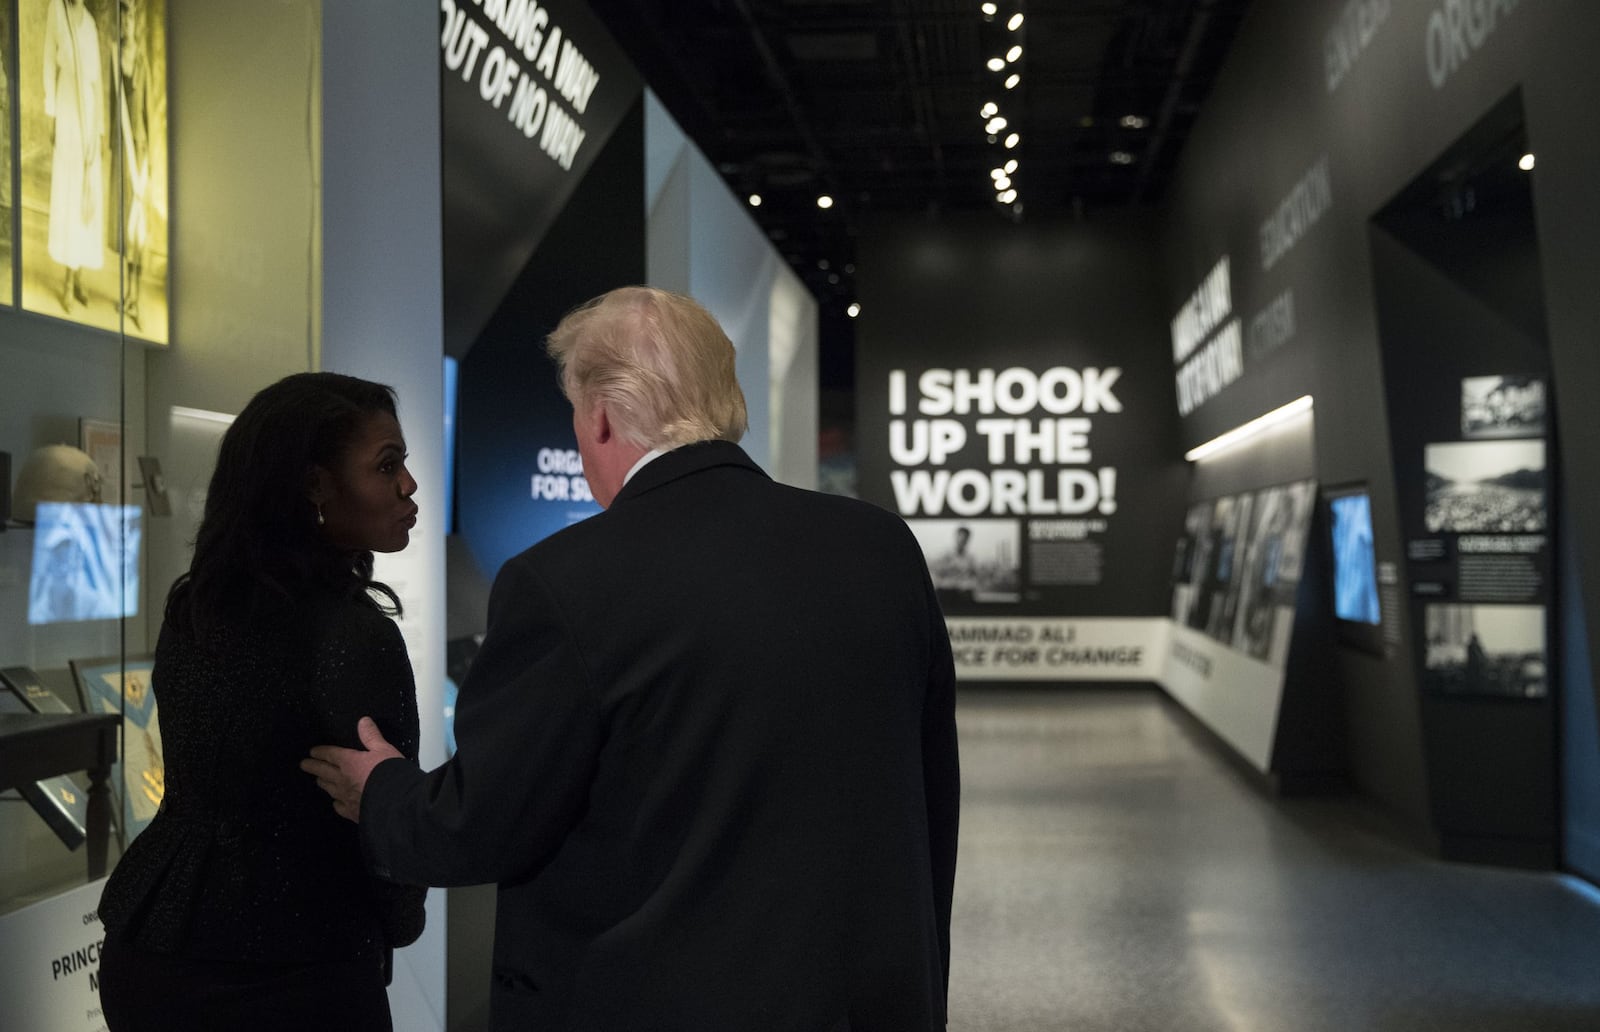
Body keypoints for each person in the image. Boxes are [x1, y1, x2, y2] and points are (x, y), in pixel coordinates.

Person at [304, 286, 960, 1031]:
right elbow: (931, 797)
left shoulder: (561, 582)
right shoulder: (881, 550)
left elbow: (482, 824)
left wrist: (381, 791)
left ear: (603, 416)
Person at [97, 373, 426, 1032]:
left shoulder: (194, 607)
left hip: (149, 946)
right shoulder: (354, 635)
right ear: (314, 486)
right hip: (294, 972)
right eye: (387, 465)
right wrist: (396, 921)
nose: (408, 486)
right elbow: (388, 823)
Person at [42, 0, 105, 312]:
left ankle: (79, 275)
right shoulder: (57, 9)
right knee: (69, 193)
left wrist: (99, 130)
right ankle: (67, 281)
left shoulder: (91, 25)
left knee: (86, 196)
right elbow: (47, 65)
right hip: (67, 110)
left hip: (88, 117)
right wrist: (51, 114)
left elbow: (97, 82)